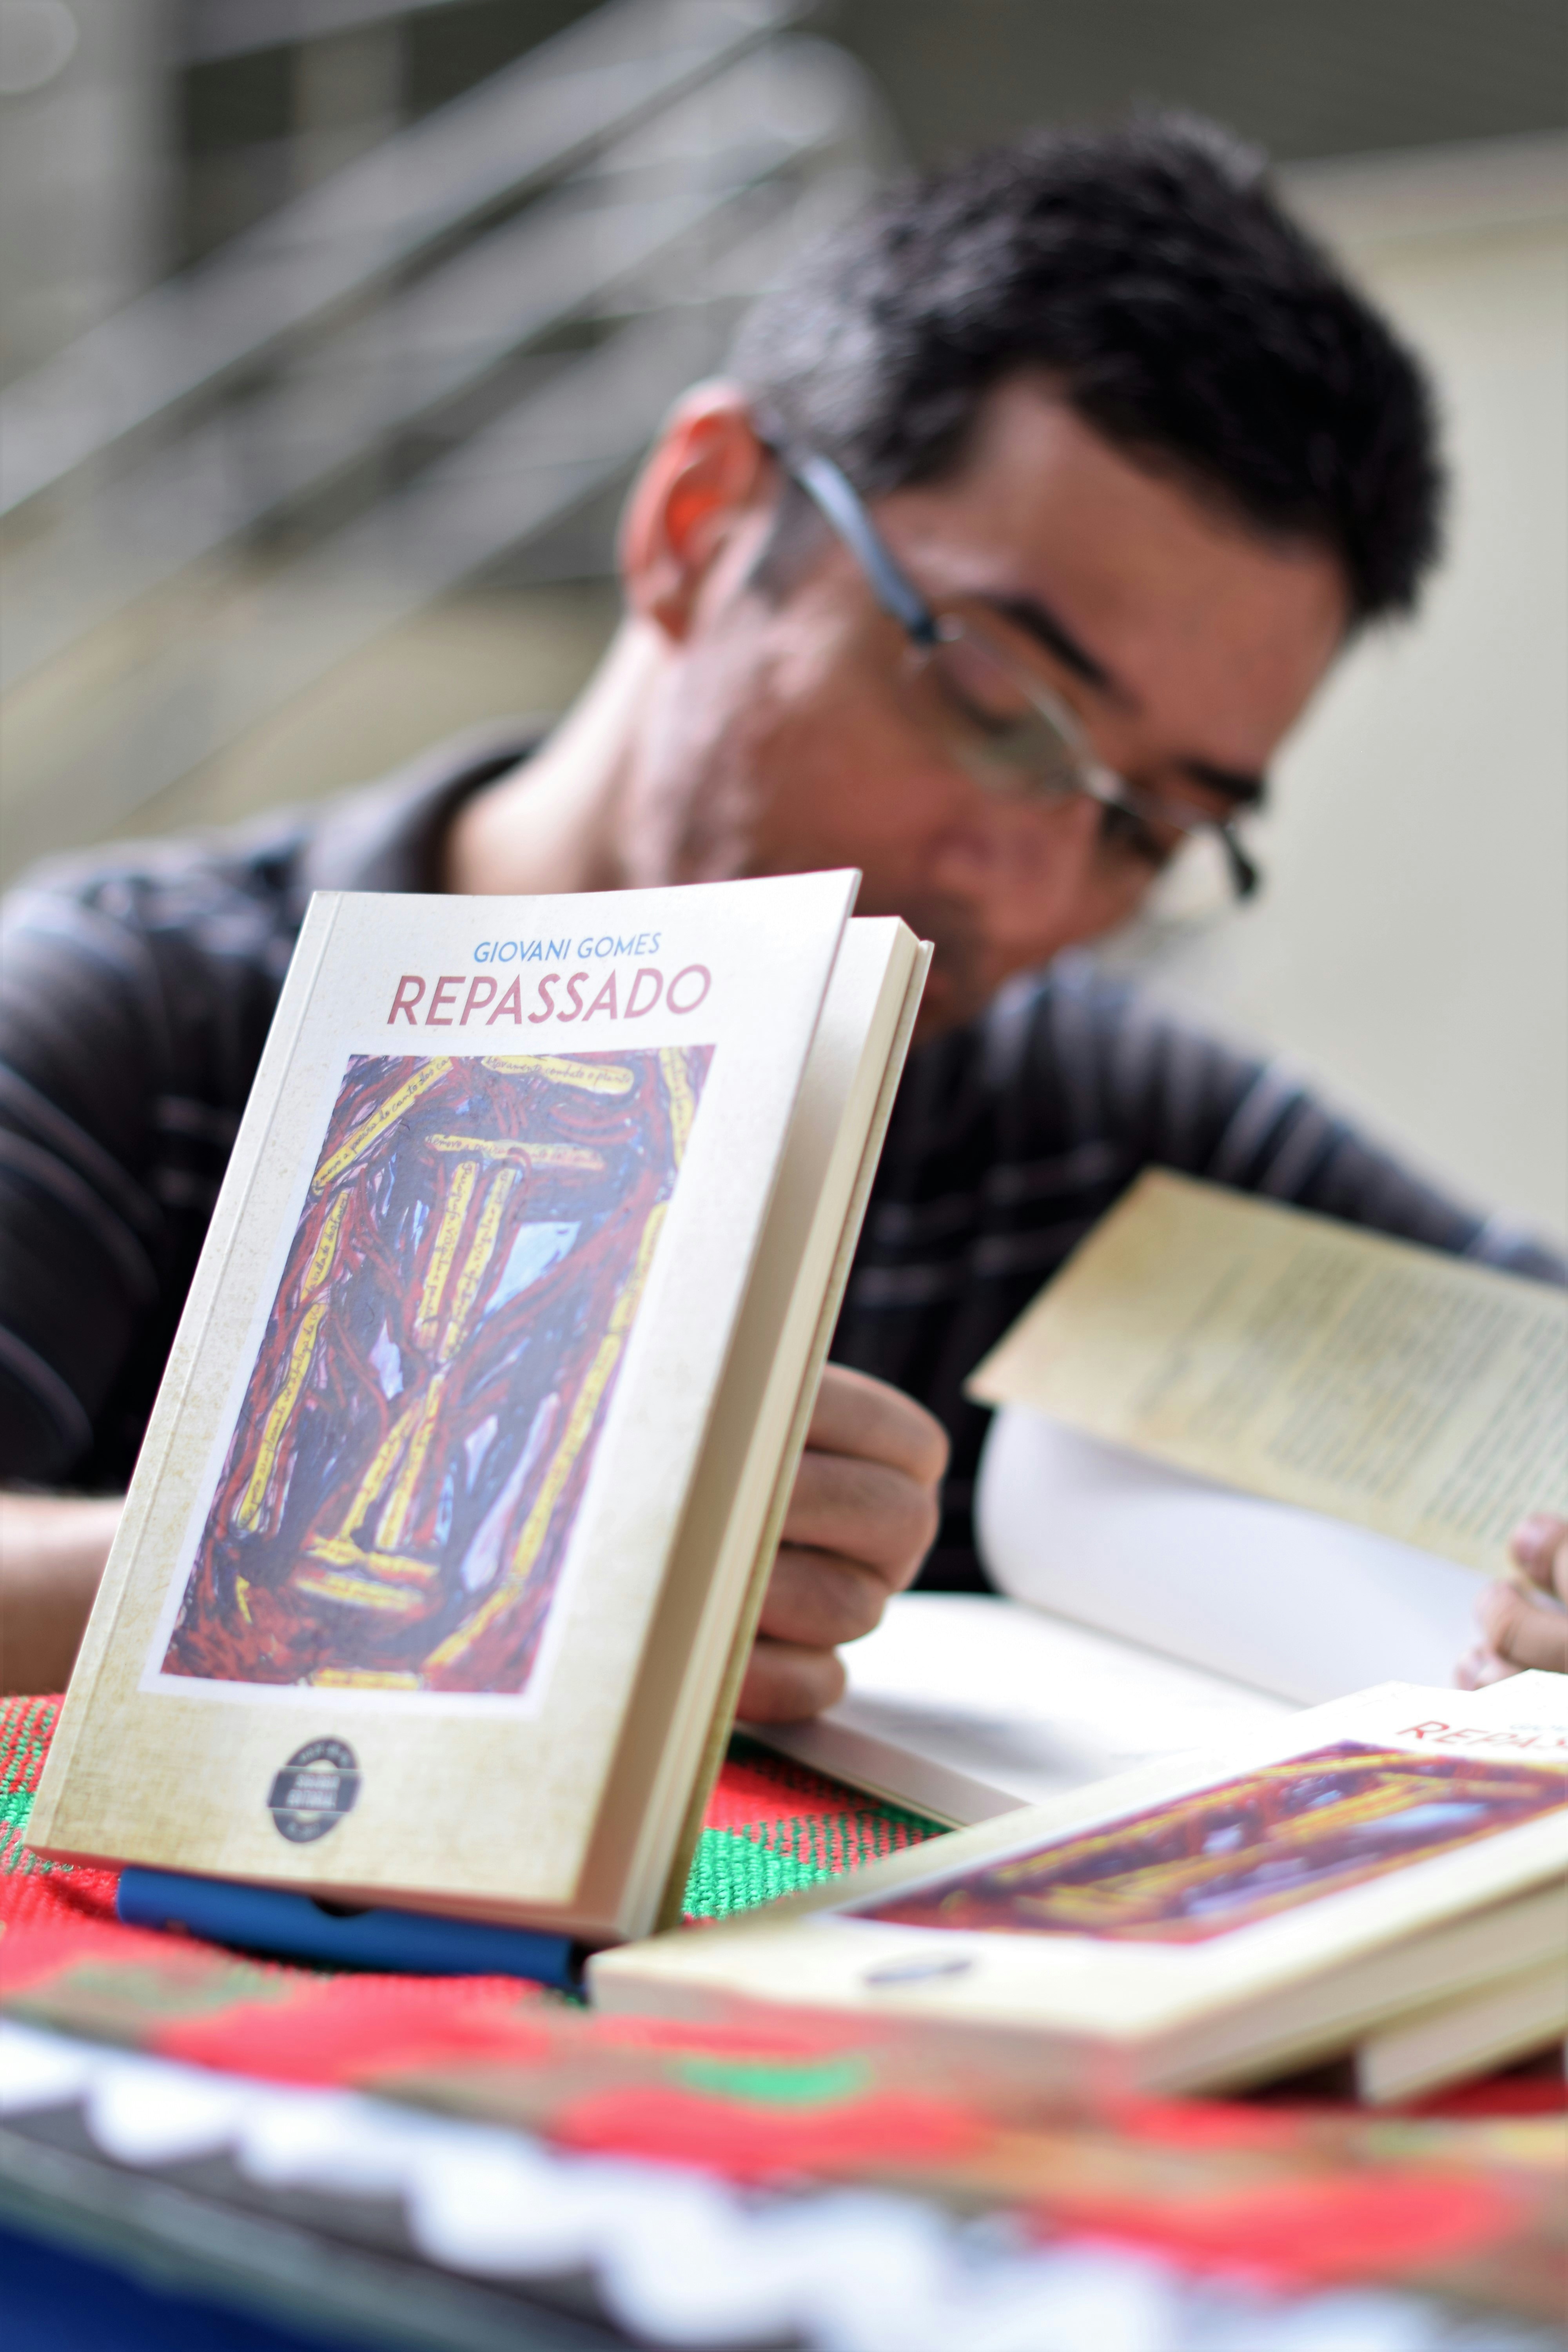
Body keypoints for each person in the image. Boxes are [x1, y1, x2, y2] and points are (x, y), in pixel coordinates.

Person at [2, 119, 1562, 1709]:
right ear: (699, 521)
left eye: (1149, 824)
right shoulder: (140, 1022)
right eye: (992, 705)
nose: (1028, 892)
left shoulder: (1084, 1119)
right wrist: (493, 1546)